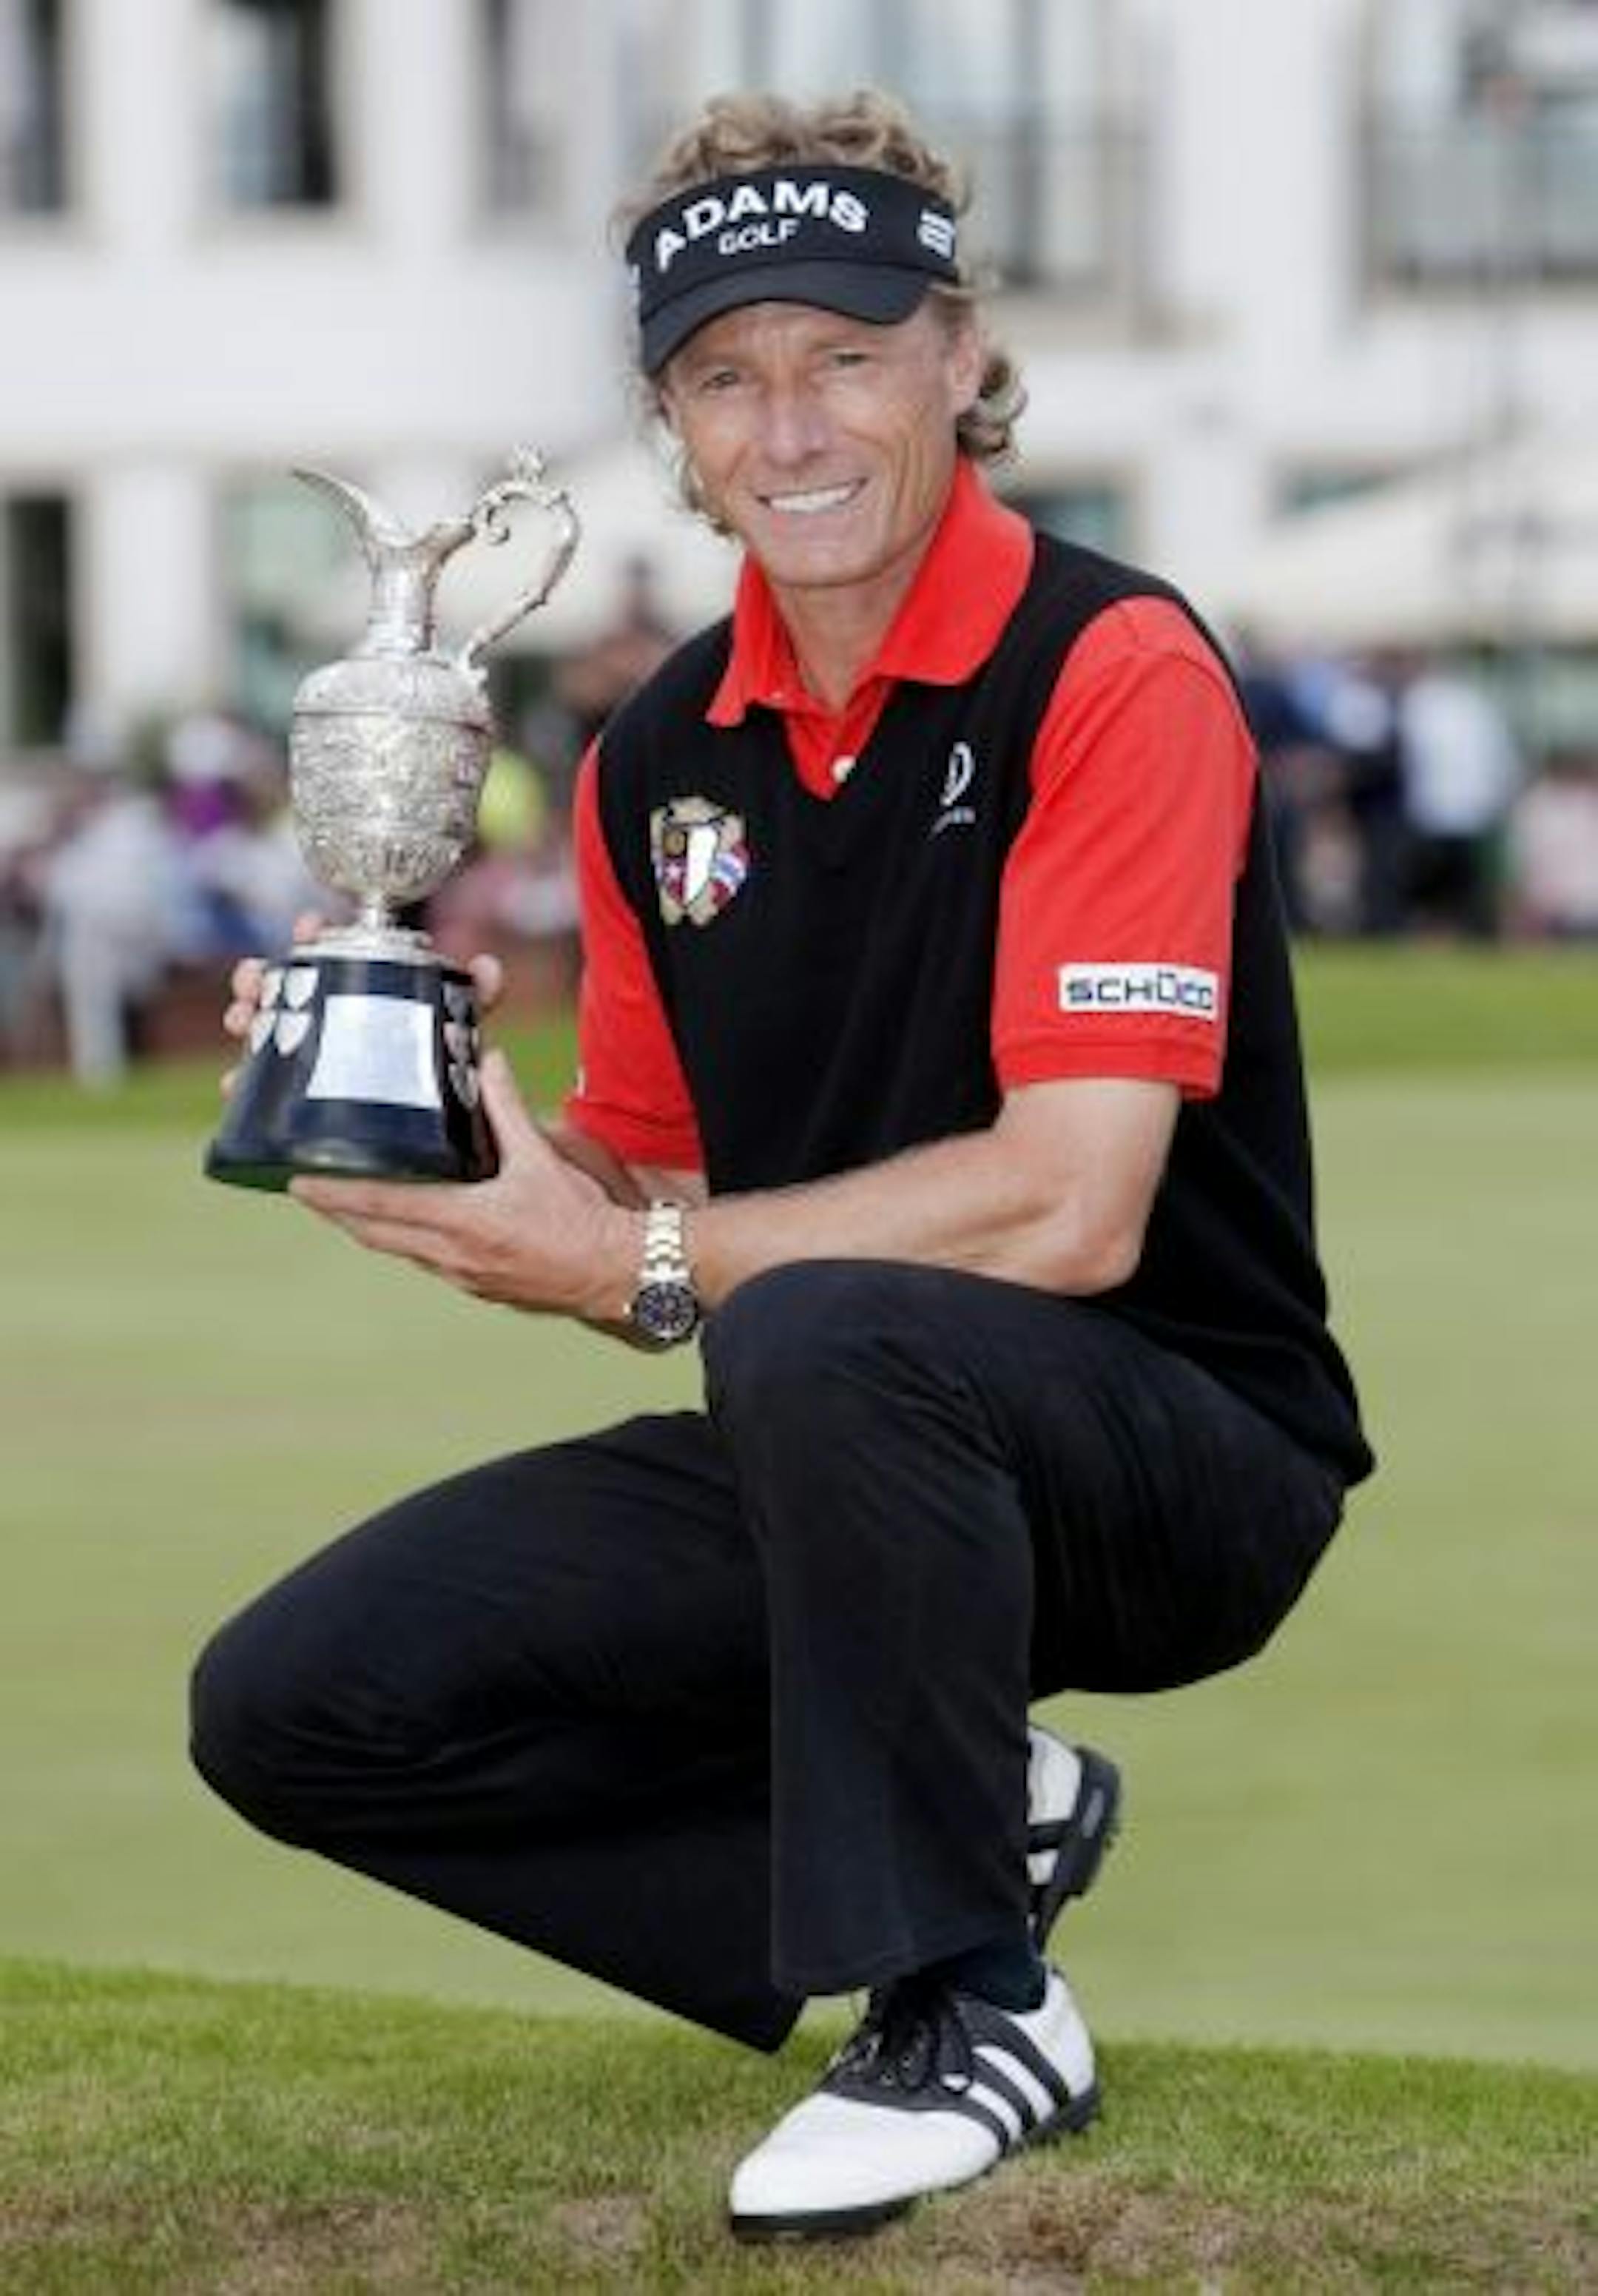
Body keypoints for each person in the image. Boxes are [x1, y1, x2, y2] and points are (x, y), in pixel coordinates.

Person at [189, 89, 1373, 2243]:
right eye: (727, 375)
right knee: (296, 1707)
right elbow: (633, 1159)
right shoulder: (658, 753)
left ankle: (969, 2007)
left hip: (1182, 1451)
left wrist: (637, 1261)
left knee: (815, 1326)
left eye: (844, 353)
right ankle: (963, 1817)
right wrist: (400, 1092)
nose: (792, 422)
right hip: (848, 1445)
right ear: (673, 420)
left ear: (956, 358)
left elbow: (1073, 1202)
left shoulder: (1112, 664)